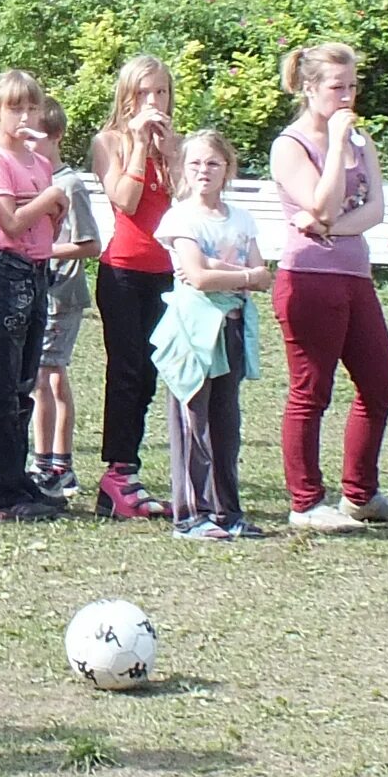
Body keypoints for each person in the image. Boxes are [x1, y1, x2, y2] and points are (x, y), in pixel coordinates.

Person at [269, 41, 388, 532]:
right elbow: (323, 202)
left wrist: (331, 225)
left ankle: (361, 494)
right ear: (309, 89)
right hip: (308, 278)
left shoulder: (360, 140)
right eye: (337, 87)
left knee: (380, 383)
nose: (347, 97)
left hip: (354, 274)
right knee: (312, 391)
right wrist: (332, 149)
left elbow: (374, 211)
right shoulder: (291, 145)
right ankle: (306, 503)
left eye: (352, 86)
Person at [160, 129, 269, 542]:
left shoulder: (241, 219)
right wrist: (240, 275)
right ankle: (191, 514)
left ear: (227, 168)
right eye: (195, 164)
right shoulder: (180, 218)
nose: (204, 171)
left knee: (226, 423)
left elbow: (263, 276)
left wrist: (232, 274)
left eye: (212, 163)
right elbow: (200, 277)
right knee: (193, 422)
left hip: (232, 327)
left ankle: (227, 511)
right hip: (192, 331)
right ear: (183, 170)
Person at [0, 70, 70, 520]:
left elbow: (53, 224)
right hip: (6, 272)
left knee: (24, 385)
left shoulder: (39, 162)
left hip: (37, 271)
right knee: (2, 385)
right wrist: (50, 197)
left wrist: (54, 202)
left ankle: (17, 479)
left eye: (31, 107)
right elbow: (10, 222)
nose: (24, 116)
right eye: (15, 107)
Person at [88, 54, 180, 521]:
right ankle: (116, 473)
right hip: (123, 270)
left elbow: (189, 200)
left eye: (160, 92)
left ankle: (129, 471)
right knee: (125, 370)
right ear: (127, 96)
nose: (153, 101)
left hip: (166, 272)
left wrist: (173, 154)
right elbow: (124, 200)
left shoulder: (175, 145)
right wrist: (141, 146)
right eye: (144, 93)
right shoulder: (109, 142)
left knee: (149, 373)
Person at [30, 101, 103, 499]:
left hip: (62, 294)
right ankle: (52, 462)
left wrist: (42, 249)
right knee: (45, 377)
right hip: (39, 292)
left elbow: (90, 244)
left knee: (49, 377)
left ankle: (55, 464)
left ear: (56, 136)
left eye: (36, 137)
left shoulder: (68, 184)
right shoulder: (29, 178)